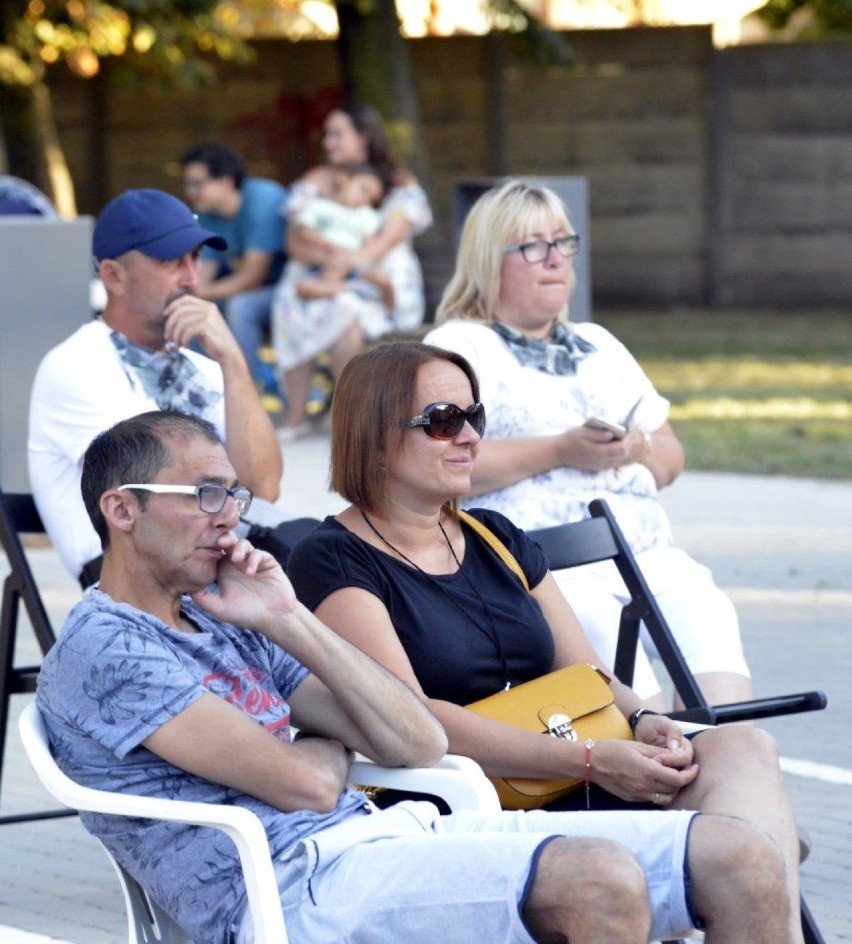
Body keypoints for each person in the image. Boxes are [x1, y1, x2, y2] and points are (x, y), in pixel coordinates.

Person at [37, 409, 793, 944]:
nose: (230, 516)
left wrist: (286, 618)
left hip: (384, 837)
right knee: (597, 880)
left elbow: (415, 738)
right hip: (285, 891)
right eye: (204, 495)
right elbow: (302, 787)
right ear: (121, 511)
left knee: (742, 858)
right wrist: (319, 747)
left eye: (233, 494)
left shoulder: (229, 617)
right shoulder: (106, 645)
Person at [287, 341, 805, 943]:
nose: (470, 438)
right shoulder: (332, 559)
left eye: (474, 418)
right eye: (443, 421)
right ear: (373, 436)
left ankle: (752, 906)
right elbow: (412, 720)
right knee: (746, 860)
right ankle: (733, 892)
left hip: (574, 766)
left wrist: (641, 721)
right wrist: (588, 761)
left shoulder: (495, 535)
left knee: (743, 748)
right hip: (467, 796)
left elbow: (589, 676)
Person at [423, 179, 752, 710]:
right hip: (546, 566)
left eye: (563, 243)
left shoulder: (599, 343)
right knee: (644, 717)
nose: (554, 260)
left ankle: (729, 763)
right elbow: (437, 463)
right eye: (532, 246)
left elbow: (670, 456)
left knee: (717, 649)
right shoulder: (458, 346)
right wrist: (559, 450)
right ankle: (655, 763)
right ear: (488, 260)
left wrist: (634, 447)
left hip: (647, 552)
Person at [28, 187, 283, 586]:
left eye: (196, 259)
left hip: (213, 558)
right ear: (113, 276)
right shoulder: (74, 365)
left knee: (337, 556)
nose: (193, 278)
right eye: (171, 262)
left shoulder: (207, 367)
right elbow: (157, 498)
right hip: (132, 579)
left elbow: (264, 488)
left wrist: (234, 362)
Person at [272, 101, 432, 440]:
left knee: (346, 312)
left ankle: (346, 418)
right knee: (289, 300)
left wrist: (351, 263)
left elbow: (388, 239)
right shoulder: (315, 180)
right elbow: (294, 240)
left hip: (377, 281)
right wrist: (329, 257)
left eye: (337, 135)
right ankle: (296, 414)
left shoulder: (398, 183)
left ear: (364, 137)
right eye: (327, 135)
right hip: (320, 271)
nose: (328, 142)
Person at [181, 142, 288, 389]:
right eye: (188, 184)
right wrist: (190, 297)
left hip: (292, 286)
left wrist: (197, 294)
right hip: (257, 287)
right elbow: (202, 275)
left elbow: (253, 277)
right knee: (192, 310)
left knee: (241, 307)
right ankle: (206, 390)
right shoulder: (208, 212)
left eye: (198, 183)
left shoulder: (263, 199)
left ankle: (246, 389)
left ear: (227, 181)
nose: (190, 192)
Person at [292, 162, 394, 311]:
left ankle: (392, 313)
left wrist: (354, 258)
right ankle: (347, 289)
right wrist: (329, 246)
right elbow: (305, 232)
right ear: (343, 179)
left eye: (371, 199)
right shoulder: (320, 207)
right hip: (325, 263)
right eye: (363, 190)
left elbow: (369, 243)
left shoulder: (365, 215)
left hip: (354, 263)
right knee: (303, 287)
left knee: (381, 278)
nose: (365, 199)